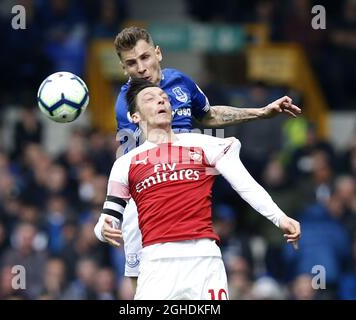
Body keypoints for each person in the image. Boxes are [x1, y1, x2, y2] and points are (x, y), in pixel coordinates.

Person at [94, 26, 301, 283]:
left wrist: (261, 112)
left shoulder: (180, 81)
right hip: (151, 194)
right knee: (141, 280)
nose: (141, 68)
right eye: (131, 63)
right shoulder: (128, 103)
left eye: (145, 57)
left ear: (157, 53)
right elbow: (135, 161)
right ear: (124, 69)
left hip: (189, 183)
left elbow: (209, 115)